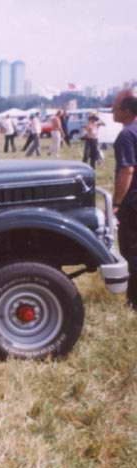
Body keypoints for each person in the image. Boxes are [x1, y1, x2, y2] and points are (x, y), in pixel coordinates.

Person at [111, 88, 137, 309]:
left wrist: (117, 203)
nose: (112, 110)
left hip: (132, 203)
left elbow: (127, 170)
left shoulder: (126, 135)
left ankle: (134, 302)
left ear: (127, 111)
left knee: (131, 250)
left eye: (115, 107)